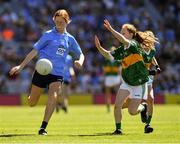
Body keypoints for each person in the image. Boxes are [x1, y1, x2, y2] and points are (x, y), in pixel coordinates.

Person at [9, 9, 84, 135]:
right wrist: (20, 67)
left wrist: (80, 62)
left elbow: (80, 53)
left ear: (67, 22)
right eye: (57, 21)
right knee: (32, 102)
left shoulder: (70, 39)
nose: (59, 24)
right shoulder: (48, 34)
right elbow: (34, 51)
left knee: (53, 95)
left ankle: (43, 127)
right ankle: (31, 95)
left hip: (57, 74)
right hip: (41, 71)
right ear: (54, 20)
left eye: (61, 22)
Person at [95, 19, 157, 135]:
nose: (122, 34)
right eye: (121, 32)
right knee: (117, 105)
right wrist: (99, 47)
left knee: (132, 112)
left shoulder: (133, 44)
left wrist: (111, 29)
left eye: (124, 32)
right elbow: (108, 56)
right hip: (127, 82)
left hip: (139, 84)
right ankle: (118, 129)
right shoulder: (122, 49)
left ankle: (143, 107)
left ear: (131, 35)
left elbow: (122, 40)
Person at [122, 30, 161, 133]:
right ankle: (125, 107)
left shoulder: (152, 50)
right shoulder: (140, 49)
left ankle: (148, 124)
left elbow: (152, 57)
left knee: (151, 98)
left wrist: (157, 66)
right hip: (139, 76)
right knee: (129, 104)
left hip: (148, 77)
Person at [103, 47, 121, 112]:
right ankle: (108, 107)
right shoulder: (106, 61)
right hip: (108, 77)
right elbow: (104, 71)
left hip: (116, 77)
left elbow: (120, 71)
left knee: (119, 93)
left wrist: (121, 79)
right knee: (108, 93)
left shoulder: (118, 60)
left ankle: (119, 106)